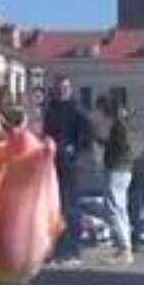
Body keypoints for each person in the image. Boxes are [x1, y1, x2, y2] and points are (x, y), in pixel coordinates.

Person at [42, 77, 95, 264]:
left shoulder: (77, 110)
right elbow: (46, 134)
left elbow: (88, 135)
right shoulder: (50, 110)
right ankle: (58, 249)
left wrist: (75, 149)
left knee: (70, 208)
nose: (61, 91)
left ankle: (73, 250)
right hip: (52, 164)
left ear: (70, 89)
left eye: (64, 88)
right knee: (55, 207)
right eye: (58, 88)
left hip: (70, 165)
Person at [95, 96, 133, 264]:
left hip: (117, 168)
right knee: (121, 208)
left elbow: (115, 146)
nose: (103, 114)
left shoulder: (119, 125)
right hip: (125, 169)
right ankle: (125, 248)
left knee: (112, 208)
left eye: (103, 110)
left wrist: (97, 138)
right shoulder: (125, 123)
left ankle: (123, 248)